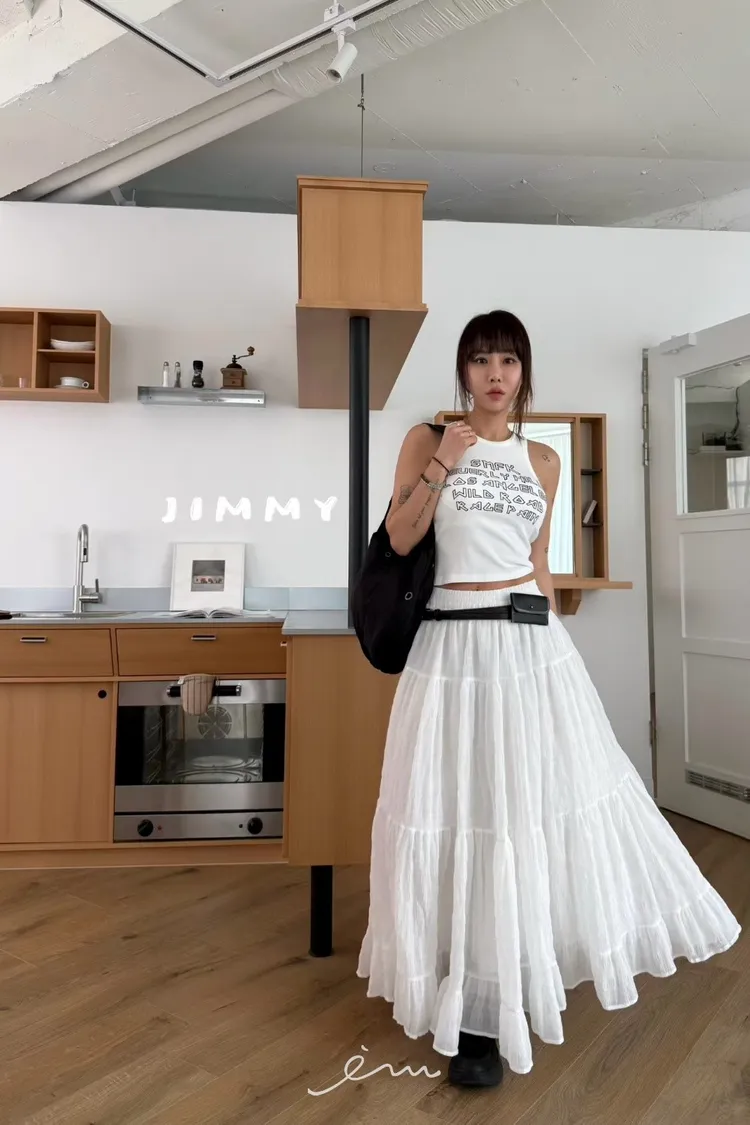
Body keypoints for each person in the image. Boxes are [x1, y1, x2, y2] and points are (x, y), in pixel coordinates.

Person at [356, 309, 741, 1089]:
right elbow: (398, 539)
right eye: (481, 360)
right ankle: (467, 1002)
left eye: (508, 359)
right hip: (448, 649)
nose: (495, 374)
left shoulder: (543, 458)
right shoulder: (428, 439)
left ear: (524, 371)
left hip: (528, 648)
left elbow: (537, 560)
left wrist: (559, 647)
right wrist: (445, 463)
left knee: (522, 810)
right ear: (463, 371)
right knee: (456, 808)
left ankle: (507, 980)